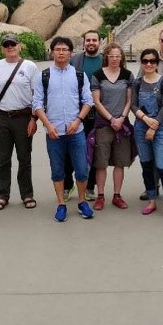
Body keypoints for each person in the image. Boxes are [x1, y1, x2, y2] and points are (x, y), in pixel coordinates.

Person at [33, 37, 95, 223]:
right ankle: (61, 204)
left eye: (65, 49)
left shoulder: (79, 75)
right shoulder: (43, 76)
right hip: (54, 133)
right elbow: (37, 104)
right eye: (58, 49)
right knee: (57, 171)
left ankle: (82, 202)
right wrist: (48, 125)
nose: (61, 52)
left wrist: (78, 120)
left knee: (82, 170)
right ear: (52, 52)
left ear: (70, 53)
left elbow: (88, 101)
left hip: (77, 132)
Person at [0, 33, 40, 212]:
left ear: (19, 46)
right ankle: (3, 195)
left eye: (13, 44)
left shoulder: (30, 67)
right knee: (3, 159)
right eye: (6, 45)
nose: (10, 47)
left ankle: (27, 194)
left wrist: (34, 118)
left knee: (24, 157)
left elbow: (37, 94)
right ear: (2, 49)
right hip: (2, 118)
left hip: (23, 117)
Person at [132, 48, 163, 221]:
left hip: (160, 129)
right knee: (147, 166)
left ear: (157, 63)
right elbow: (133, 105)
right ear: (142, 63)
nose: (149, 64)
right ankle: (152, 200)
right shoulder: (137, 83)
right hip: (141, 128)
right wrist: (144, 118)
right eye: (145, 61)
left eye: (152, 61)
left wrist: (154, 125)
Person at [89, 43, 134, 210]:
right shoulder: (98, 75)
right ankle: (100, 195)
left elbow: (129, 100)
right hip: (103, 124)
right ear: (106, 57)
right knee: (101, 162)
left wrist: (121, 118)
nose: (114, 59)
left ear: (121, 58)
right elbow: (96, 101)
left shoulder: (127, 75)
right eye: (111, 56)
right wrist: (111, 119)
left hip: (122, 124)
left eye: (117, 56)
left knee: (120, 162)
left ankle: (117, 195)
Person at [138, 27, 163, 201]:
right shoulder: (151, 59)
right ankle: (152, 187)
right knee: (153, 155)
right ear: (159, 41)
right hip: (153, 116)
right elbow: (139, 85)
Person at [64, 30, 103, 201]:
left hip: (98, 113)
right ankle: (67, 184)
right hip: (76, 112)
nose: (91, 43)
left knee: (93, 150)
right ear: (84, 42)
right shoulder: (75, 61)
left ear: (100, 42)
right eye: (88, 40)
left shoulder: (104, 60)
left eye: (94, 40)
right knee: (69, 149)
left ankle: (89, 186)